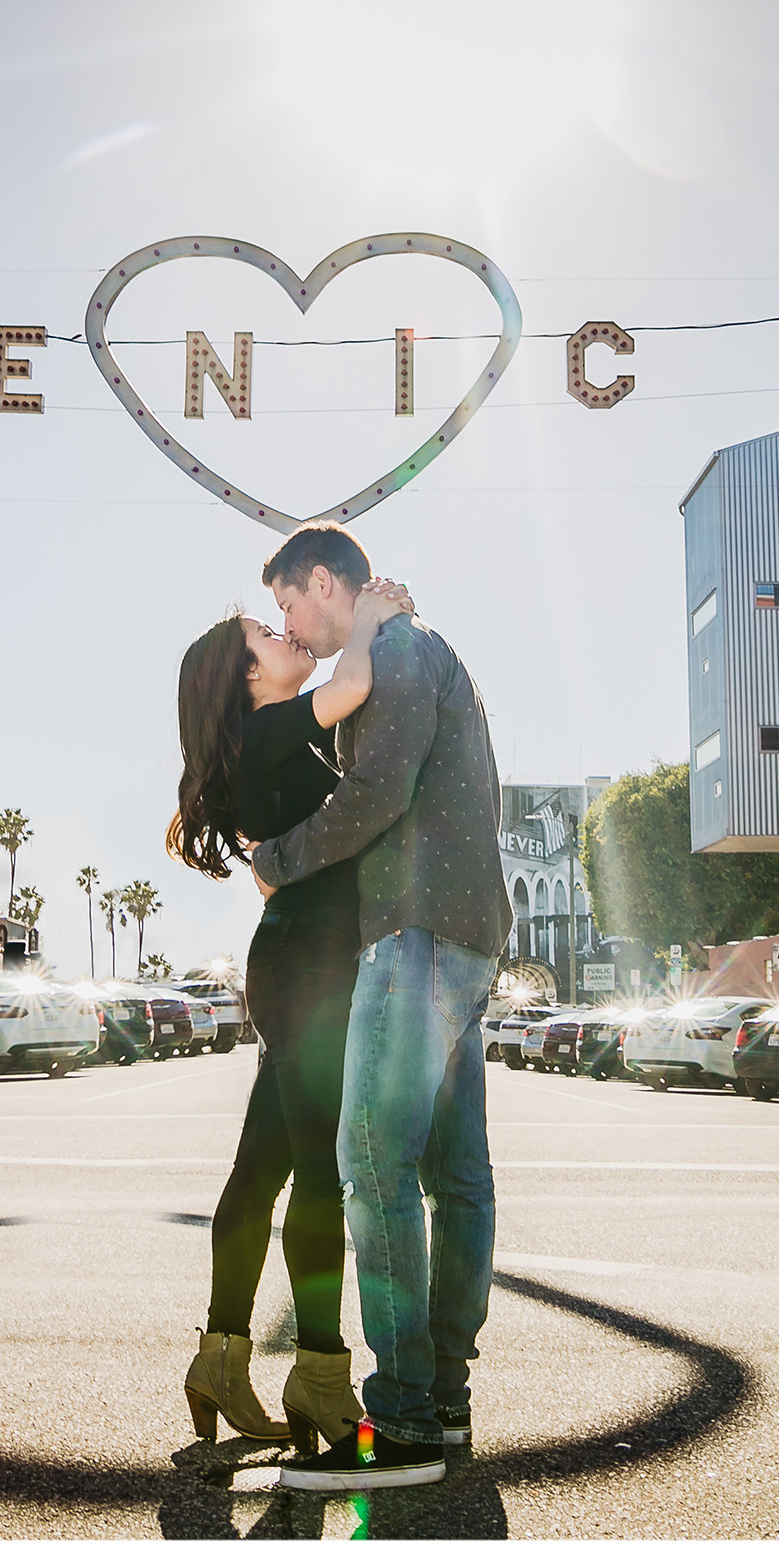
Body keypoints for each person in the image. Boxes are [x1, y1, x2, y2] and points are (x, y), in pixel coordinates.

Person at [249, 522, 510, 1494]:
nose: (288, 622)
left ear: (325, 582)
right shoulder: (411, 646)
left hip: (414, 933)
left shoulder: (398, 650)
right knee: (455, 1172)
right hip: (466, 930)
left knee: (374, 1161)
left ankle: (398, 1420)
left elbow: (375, 793)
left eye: (287, 602)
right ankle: (441, 1397)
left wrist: (276, 866)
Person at [165, 573, 413, 1451]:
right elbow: (351, 684)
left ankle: (219, 1360)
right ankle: (321, 1376)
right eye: (263, 636)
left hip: (295, 962)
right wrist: (375, 616)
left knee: (262, 1170)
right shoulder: (272, 730)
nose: (284, 634)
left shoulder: (259, 742)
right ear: (247, 679)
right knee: (317, 1174)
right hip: (311, 971)